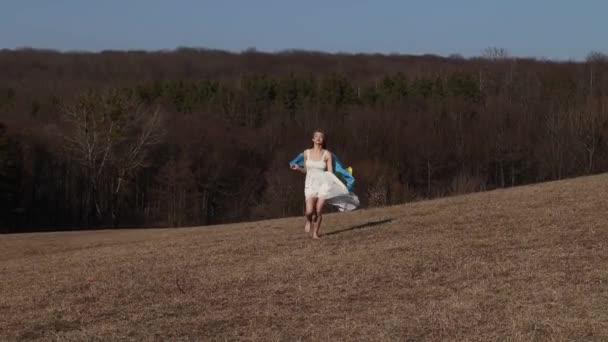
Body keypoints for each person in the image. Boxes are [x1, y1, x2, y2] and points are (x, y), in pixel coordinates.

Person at [290, 130, 359, 239]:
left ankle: (316, 233)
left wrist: (334, 185)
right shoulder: (306, 153)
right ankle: (308, 220)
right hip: (310, 183)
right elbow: (306, 170)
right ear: (312, 139)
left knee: (318, 210)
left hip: (323, 184)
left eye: (321, 137)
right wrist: (298, 168)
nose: (318, 138)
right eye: (316, 136)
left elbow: (330, 173)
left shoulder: (327, 154)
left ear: (323, 140)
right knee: (309, 211)